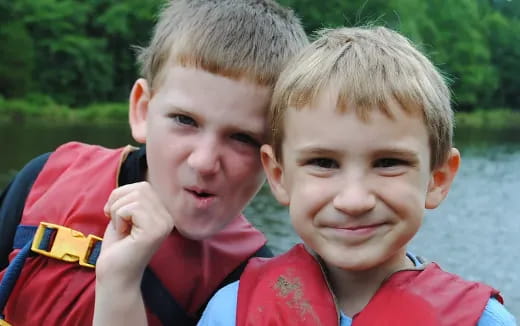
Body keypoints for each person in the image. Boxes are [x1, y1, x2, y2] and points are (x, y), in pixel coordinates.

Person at [0, 1, 308, 325]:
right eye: (185, 120)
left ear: (275, 160)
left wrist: (121, 283)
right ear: (143, 110)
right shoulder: (47, 178)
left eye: (243, 138)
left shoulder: (247, 288)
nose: (204, 162)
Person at [197, 26, 517, 325]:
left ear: (438, 178)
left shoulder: (483, 320)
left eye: (388, 162)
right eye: (323, 162)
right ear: (279, 176)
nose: (354, 200)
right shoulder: (232, 311)